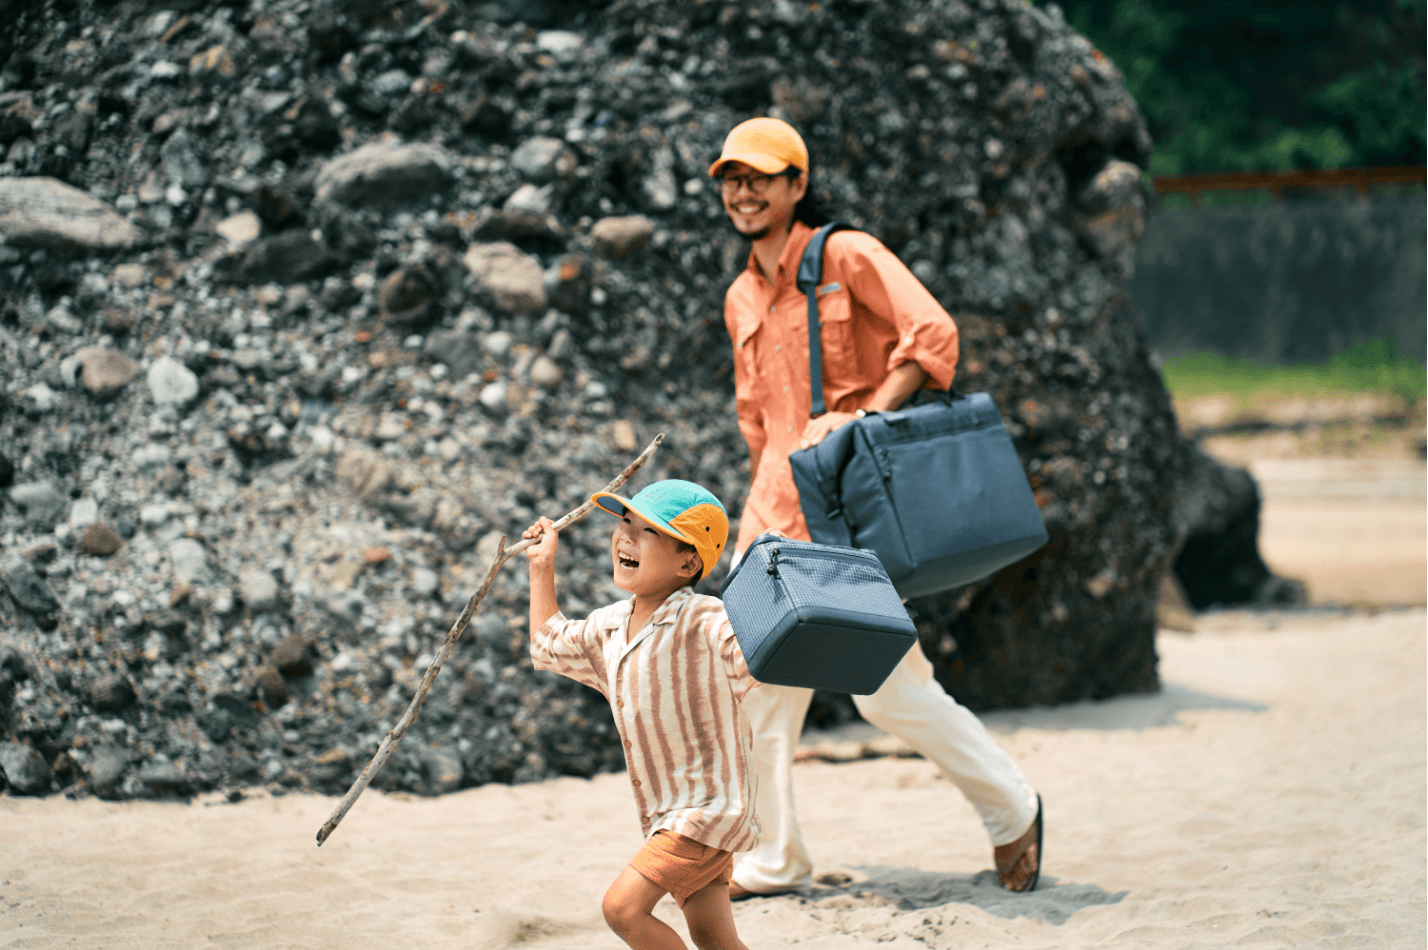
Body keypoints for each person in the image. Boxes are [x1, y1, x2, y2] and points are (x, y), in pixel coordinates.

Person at [709, 117, 1044, 896]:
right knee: (754, 686)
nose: (745, 190)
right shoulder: (739, 295)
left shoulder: (844, 256)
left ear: (797, 185)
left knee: (890, 694)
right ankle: (776, 857)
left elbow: (933, 334)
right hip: (771, 517)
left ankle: (1013, 809)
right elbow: (754, 418)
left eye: (762, 176)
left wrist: (864, 414)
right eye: (732, 177)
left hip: (841, 517)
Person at [523, 478, 759, 950]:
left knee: (623, 909)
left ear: (689, 561)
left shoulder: (707, 618)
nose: (626, 536)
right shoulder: (609, 626)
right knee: (713, 935)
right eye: (625, 523)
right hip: (665, 810)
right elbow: (547, 644)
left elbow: (758, 659)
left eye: (648, 530)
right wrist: (541, 568)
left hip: (706, 809)